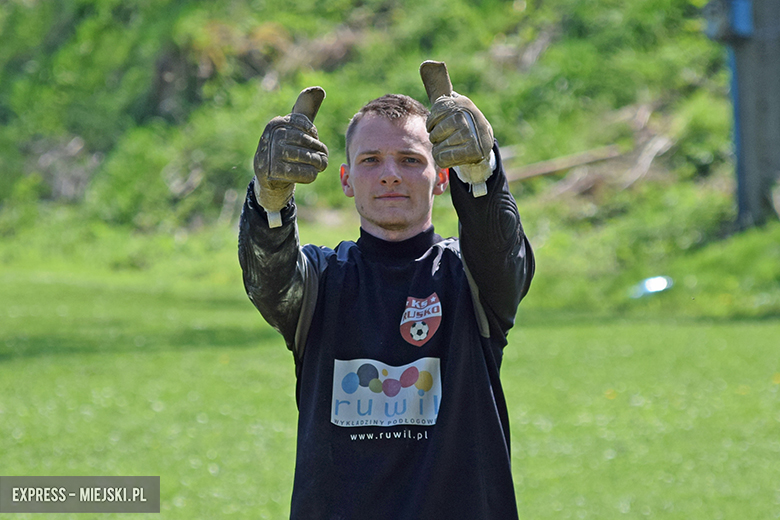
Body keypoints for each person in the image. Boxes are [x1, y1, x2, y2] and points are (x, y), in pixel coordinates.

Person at [238, 62, 534, 519]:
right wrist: (269, 198)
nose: (390, 174)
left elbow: (501, 250)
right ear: (345, 179)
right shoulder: (319, 279)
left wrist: (481, 173)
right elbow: (268, 277)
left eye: (411, 160)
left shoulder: (472, 277)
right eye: (371, 160)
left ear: (440, 178)